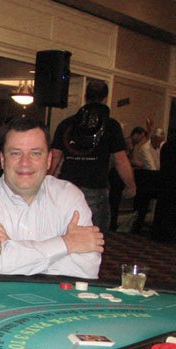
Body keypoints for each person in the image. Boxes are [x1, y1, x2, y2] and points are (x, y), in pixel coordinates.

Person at [0, 117, 103, 279]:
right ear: (2, 159)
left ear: (49, 160)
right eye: (15, 153)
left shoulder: (69, 196)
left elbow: (88, 268)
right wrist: (67, 244)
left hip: (59, 299)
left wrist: (14, 252)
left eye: (35, 153)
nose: (25, 162)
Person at [51, 79, 136, 234]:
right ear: (105, 98)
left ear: (85, 96)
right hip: (94, 188)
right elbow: (120, 160)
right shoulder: (111, 126)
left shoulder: (67, 124)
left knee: (63, 233)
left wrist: (46, 181)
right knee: (93, 238)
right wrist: (131, 185)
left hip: (66, 186)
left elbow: (54, 157)